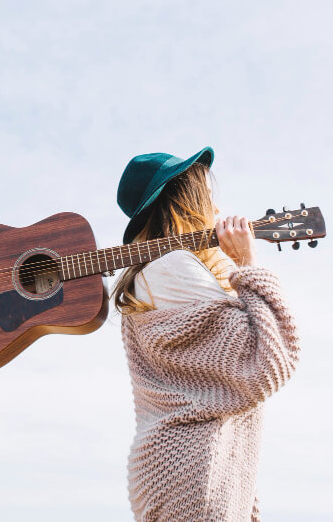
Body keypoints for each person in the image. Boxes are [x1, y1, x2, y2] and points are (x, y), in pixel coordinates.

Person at [114, 146, 301, 521]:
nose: (216, 211)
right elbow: (266, 360)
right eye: (208, 198)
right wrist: (247, 264)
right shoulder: (173, 267)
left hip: (182, 466)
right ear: (186, 202)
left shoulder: (158, 272)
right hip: (193, 472)